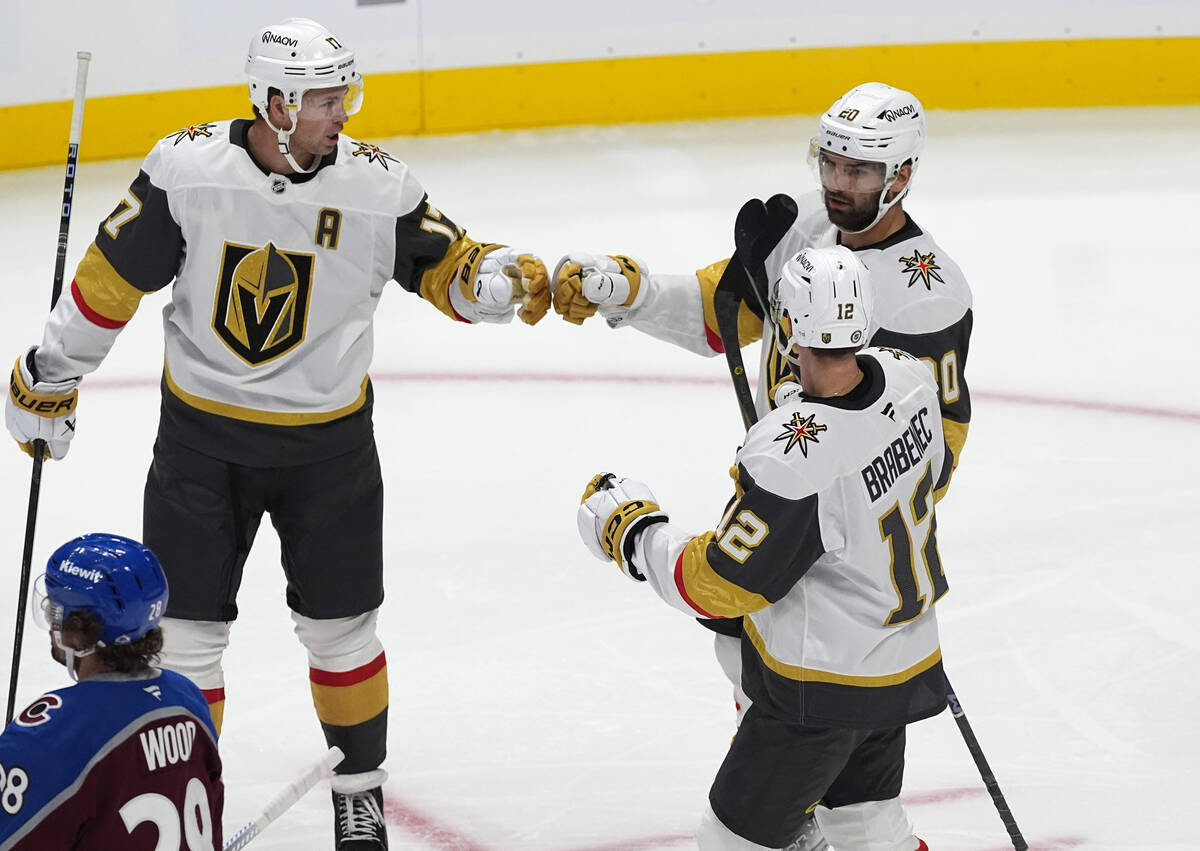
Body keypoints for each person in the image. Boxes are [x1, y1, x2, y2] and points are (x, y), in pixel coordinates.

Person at [3, 17, 550, 850]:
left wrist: (495, 280)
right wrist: (52, 369)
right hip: (200, 445)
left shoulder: (377, 184)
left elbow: (449, 267)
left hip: (327, 450)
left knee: (342, 632)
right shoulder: (187, 171)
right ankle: (187, 785)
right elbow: (110, 281)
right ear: (276, 100)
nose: (343, 114)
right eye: (327, 99)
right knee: (184, 638)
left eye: (343, 96)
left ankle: (358, 792)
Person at [553, 81, 972, 849]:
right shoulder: (814, 231)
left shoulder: (926, 295)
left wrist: (810, 470)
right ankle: (805, 817)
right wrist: (630, 290)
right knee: (744, 651)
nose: (839, 184)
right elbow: (728, 309)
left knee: (752, 650)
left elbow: (935, 454)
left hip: (837, 550)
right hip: (817, 523)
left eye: (860, 171)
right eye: (832, 163)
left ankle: (789, 820)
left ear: (902, 175)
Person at [577, 246, 948, 850]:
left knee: (730, 844)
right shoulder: (910, 377)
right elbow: (865, 449)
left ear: (791, 326)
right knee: (870, 831)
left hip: (821, 690)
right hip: (897, 660)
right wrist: (799, 404)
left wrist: (632, 533)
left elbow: (720, 585)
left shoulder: (793, 458)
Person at [0, 533, 223, 850]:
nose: (50, 621)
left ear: (79, 635)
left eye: (55, 612)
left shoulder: (52, 735)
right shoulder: (187, 700)